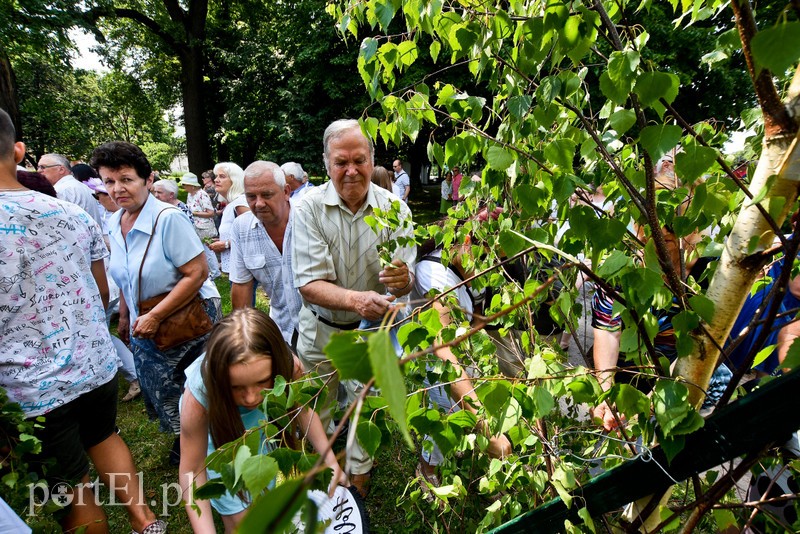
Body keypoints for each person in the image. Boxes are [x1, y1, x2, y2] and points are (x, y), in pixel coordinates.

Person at [0, 109, 163, 534]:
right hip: (94, 362)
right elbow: (101, 291)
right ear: (18, 151)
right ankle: (146, 521)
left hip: (31, 386)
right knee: (104, 437)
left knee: (68, 485)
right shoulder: (71, 215)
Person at [292, 119, 416, 497]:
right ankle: (328, 467)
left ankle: (359, 476)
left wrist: (404, 281)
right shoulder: (307, 208)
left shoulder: (395, 210)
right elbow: (309, 285)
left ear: (371, 159)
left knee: (364, 404)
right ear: (326, 164)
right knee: (318, 404)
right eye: (340, 162)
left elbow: (403, 283)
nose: (351, 170)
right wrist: (359, 300)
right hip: (320, 328)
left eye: (359, 160)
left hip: (370, 332)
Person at [90, 141, 221, 465]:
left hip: (182, 324)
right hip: (142, 322)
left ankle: (210, 444)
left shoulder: (168, 218)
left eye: (126, 179)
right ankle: (187, 438)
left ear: (147, 180)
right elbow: (124, 274)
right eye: (109, 181)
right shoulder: (114, 221)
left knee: (194, 386)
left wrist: (156, 315)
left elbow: (197, 272)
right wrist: (124, 314)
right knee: (161, 390)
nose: (117, 189)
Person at [179, 309, 345, 532]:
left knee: (263, 489)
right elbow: (192, 469)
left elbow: (303, 410)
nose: (251, 398)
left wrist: (330, 461)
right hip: (222, 443)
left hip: (261, 431)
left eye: (262, 381)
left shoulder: (290, 367)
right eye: (236, 387)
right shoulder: (199, 396)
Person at [410, 235, 512, 485]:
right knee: (446, 413)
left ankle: (463, 442)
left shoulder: (472, 268)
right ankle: (426, 471)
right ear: (466, 242)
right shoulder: (434, 275)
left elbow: (477, 313)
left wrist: (479, 358)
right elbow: (443, 353)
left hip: (461, 348)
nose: (492, 264)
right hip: (433, 361)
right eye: (489, 255)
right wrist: (484, 426)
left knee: (468, 402)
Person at [229, 162, 302, 347]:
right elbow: (241, 287)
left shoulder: (308, 218)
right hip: (281, 330)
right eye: (251, 197)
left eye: (267, 195)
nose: (259, 203)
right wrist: (243, 337)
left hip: (322, 330)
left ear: (286, 192)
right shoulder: (241, 228)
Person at [37, 153, 102, 224]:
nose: (39, 171)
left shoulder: (63, 190)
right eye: (38, 167)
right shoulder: (76, 185)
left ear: (61, 169)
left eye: (43, 167)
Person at [208, 162, 249, 275]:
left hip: (243, 270)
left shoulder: (240, 203)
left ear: (234, 181)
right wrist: (222, 240)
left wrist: (225, 244)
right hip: (236, 269)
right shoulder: (231, 204)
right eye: (216, 176)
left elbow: (251, 235)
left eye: (222, 176)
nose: (216, 180)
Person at [181, 172, 221, 280]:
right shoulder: (190, 195)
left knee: (208, 249)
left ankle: (215, 272)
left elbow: (210, 213)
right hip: (194, 226)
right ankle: (209, 271)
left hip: (205, 227)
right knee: (201, 250)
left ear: (192, 185)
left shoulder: (202, 194)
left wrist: (194, 213)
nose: (183, 187)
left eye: (185, 184)